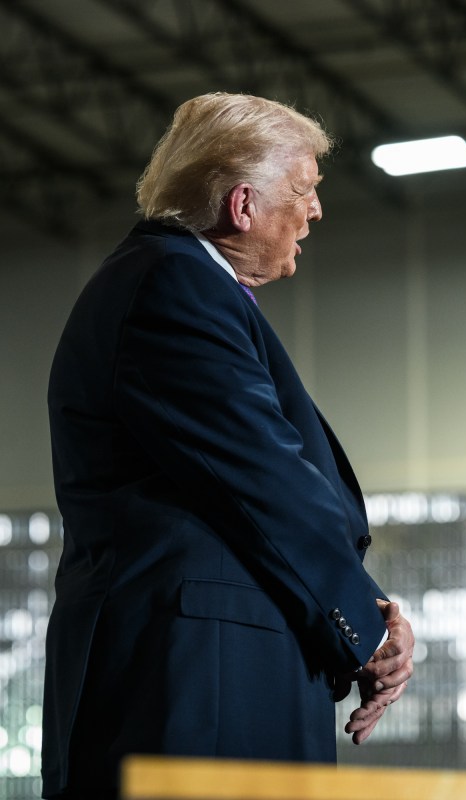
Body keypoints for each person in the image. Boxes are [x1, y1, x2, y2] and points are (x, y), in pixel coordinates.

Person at [42, 93, 414, 799]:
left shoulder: (173, 282)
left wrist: (366, 613)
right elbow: (264, 480)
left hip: (209, 666)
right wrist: (366, 629)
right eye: (303, 190)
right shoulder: (172, 282)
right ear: (243, 204)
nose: (315, 211)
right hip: (198, 674)